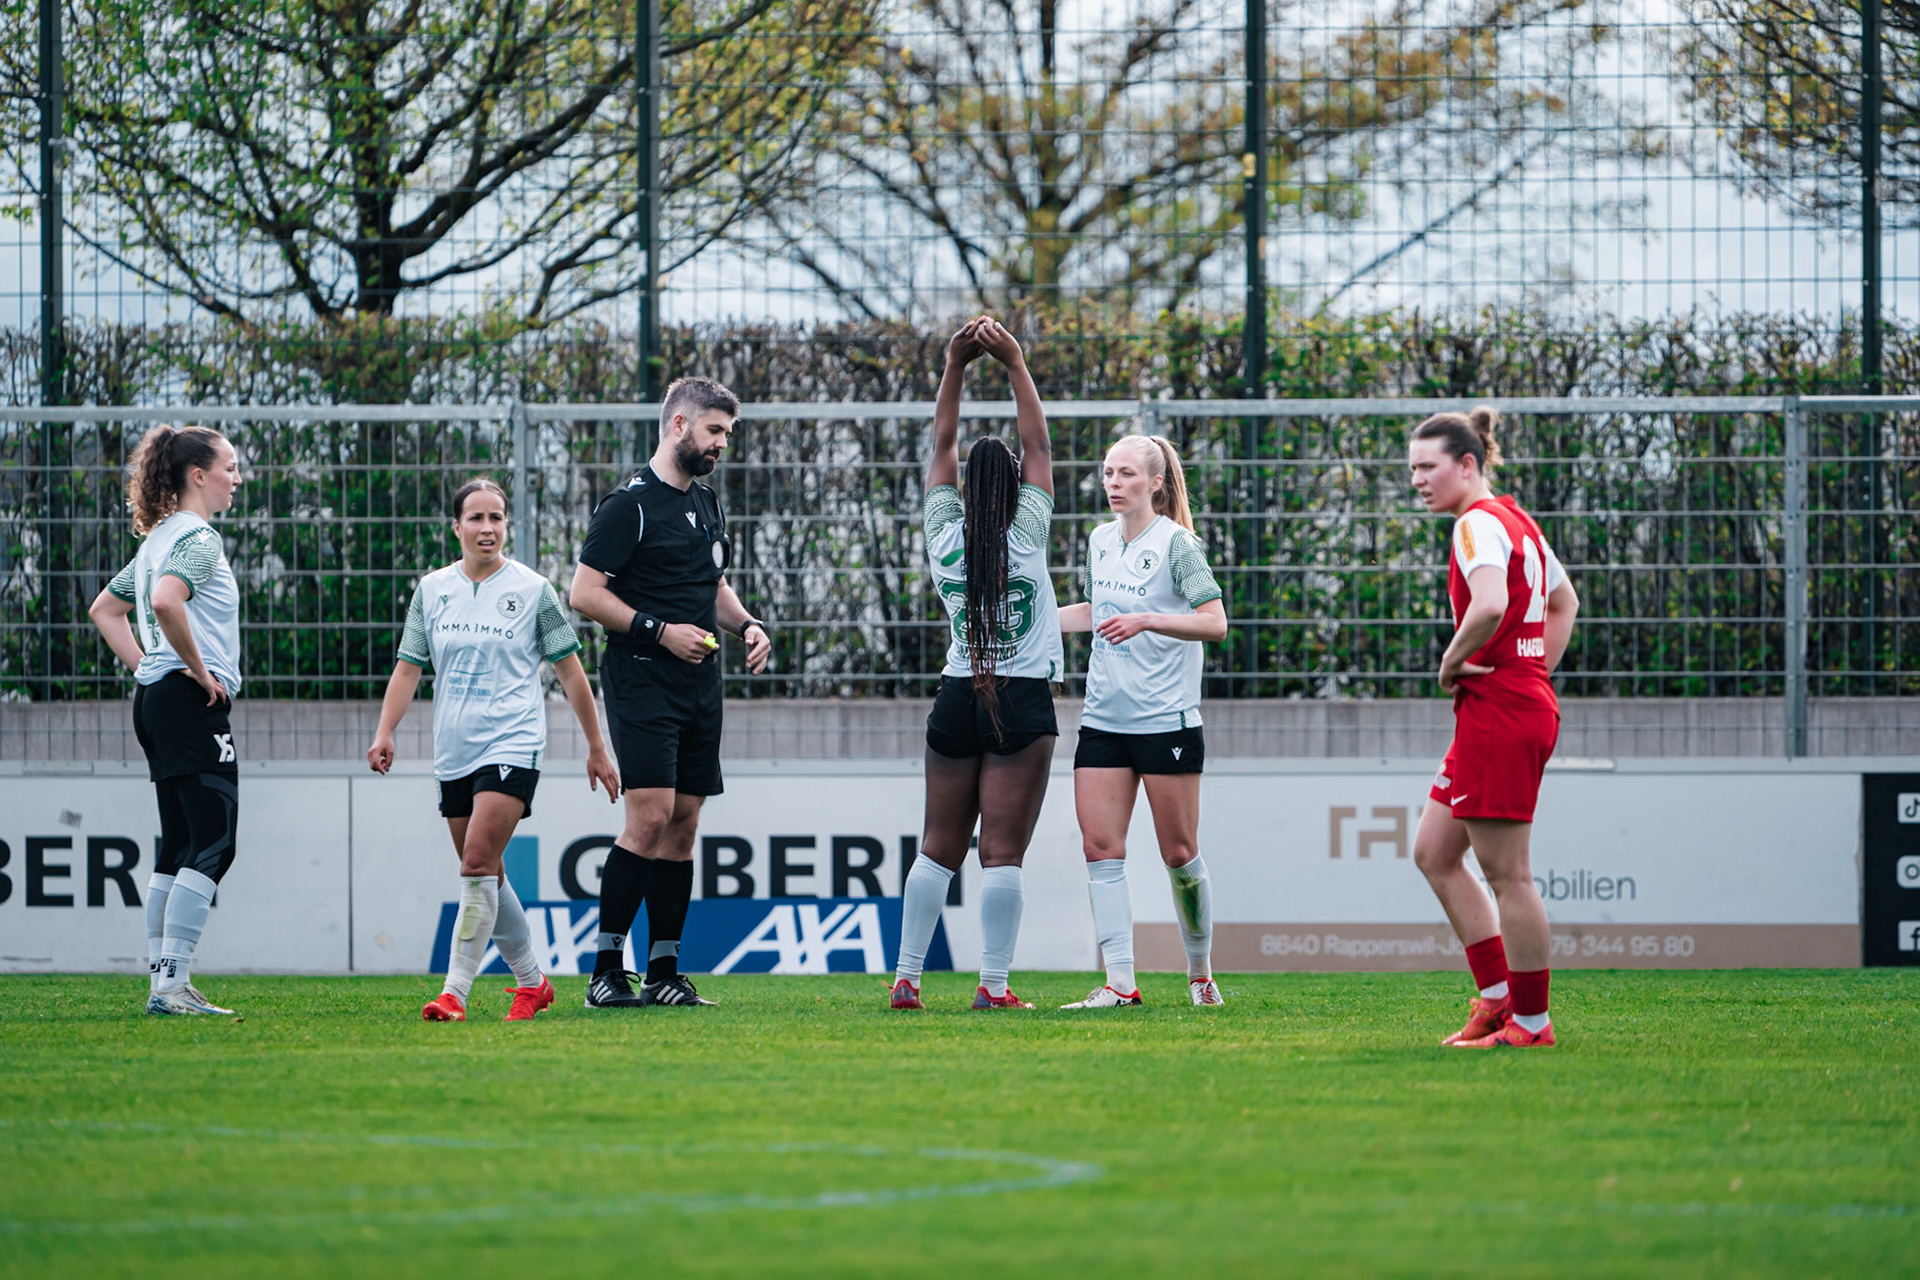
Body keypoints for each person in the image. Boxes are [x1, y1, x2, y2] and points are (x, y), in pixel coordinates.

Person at [366, 478, 621, 1022]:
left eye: (497, 518)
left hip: (513, 739)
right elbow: (408, 669)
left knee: (477, 861)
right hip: (453, 748)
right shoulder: (431, 590)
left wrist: (597, 747)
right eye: (476, 518)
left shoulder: (532, 590)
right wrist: (385, 732)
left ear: (507, 524)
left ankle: (455, 992)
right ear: (455, 527)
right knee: (486, 872)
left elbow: (571, 674)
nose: (487, 529)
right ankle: (533, 982)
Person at [569, 376, 772, 1009]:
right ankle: (606, 971)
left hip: (699, 682)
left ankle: (663, 975)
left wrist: (749, 623)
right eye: (714, 431)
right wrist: (658, 632)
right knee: (650, 814)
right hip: (642, 678)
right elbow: (584, 593)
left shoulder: (706, 503)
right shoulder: (627, 504)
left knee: (684, 823)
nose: (721, 445)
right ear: (678, 425)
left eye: (727, 435)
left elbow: (711, 587)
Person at [890, 316, 1061, 1012]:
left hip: (956, 697)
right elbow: (1039, 441)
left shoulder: (941, 535)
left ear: (964, 489)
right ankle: (993, 986)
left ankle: (907, 976)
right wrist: (1015, 360)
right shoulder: (1028, 530)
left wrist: (955, 366)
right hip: (1022, 700)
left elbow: (941, 443)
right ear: (1018, 486)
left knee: (937, 845)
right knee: (1003, 853)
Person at [1408, 406, 1579, 1048]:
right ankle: (1498, 998)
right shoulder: (1517, 520)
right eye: (1413, 469)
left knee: (1510, 876)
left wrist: (1453, 661)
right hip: (1508, 701)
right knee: (1434, 851)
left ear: (1468, 464)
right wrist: (1531, 669)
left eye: (1429, 467)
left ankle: (1530, 1024)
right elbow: (1565, 603)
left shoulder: (1477, 524)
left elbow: (1489, 604)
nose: (1418, 480)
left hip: (1501, 707)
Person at [1057, 434, 1228, 1009]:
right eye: (1108, 472)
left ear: (1154, 483)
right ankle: (1120, 983)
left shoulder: (1178, 544)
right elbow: (1096, 611)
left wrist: (1149, 620)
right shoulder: (1099, 540)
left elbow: (1214, 623)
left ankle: (1200, 973)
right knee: (1100, 846)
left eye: (1126, 474)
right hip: (1103, 719)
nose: (1113, 483)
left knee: (1179, 853)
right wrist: (1023, 622)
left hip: (1167, 722)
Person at [87, 426, 245, 1016]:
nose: (237, 477)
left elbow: (105, 610)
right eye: (229, 466)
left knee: (178, 843)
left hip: (156, 700)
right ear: (198, 476)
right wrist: (199, 673)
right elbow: (164, 603)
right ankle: (172, 985)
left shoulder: (155, 542)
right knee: (216, 842)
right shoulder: (198, 539)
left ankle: (164, 982)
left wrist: (150, 666)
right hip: (186, 701)